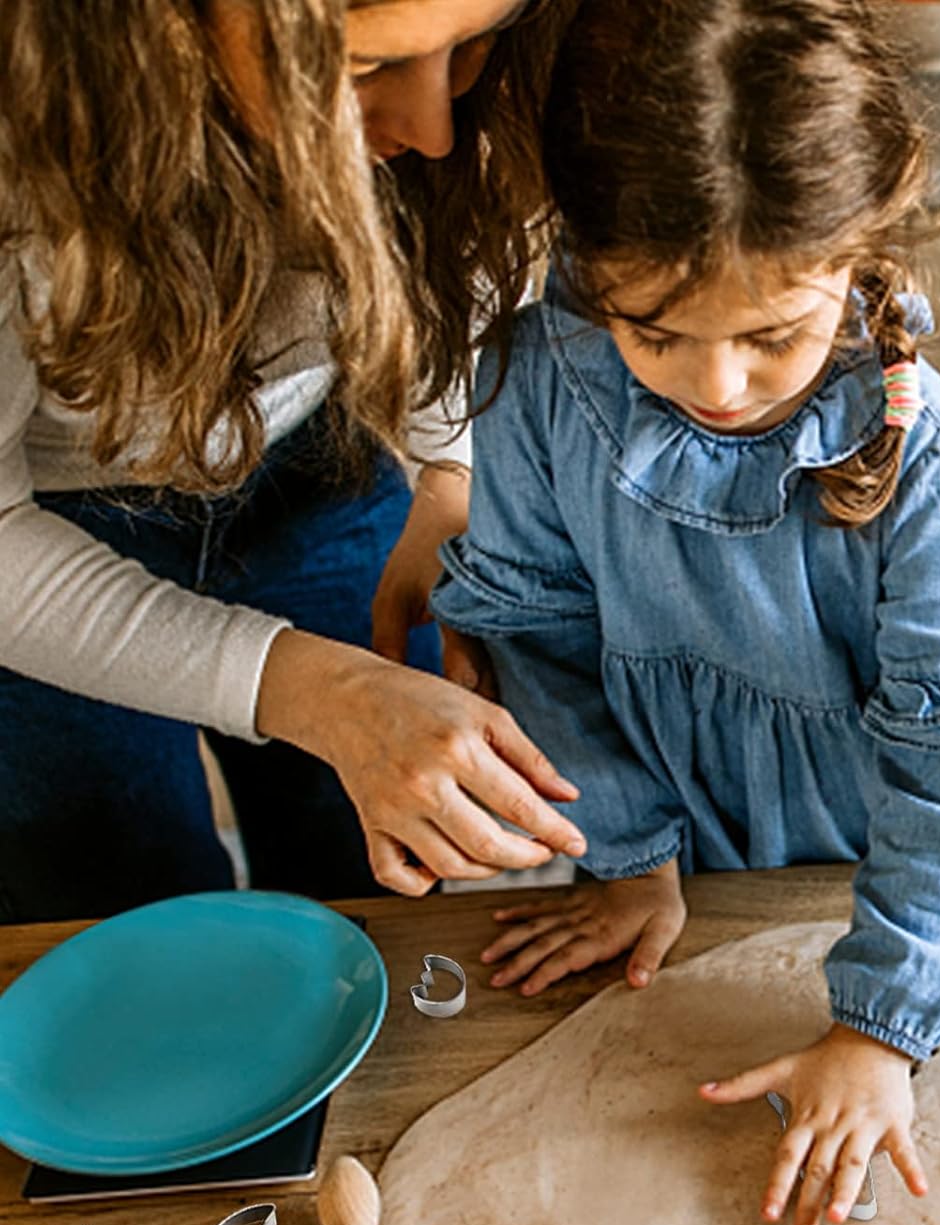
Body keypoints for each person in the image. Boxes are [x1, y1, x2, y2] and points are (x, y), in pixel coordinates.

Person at [431, 0, 940, 1225]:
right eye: (654, 331)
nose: (714, 388)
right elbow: (541, 639)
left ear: (861, 249)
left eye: (773, 336)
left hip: (875, 860)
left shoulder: (922, 446)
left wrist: (881, 1026)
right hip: (666, 848)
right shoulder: (538, 384)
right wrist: (631, 855)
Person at [0, 0, 587, 921]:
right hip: (40, 532)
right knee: (117, 897)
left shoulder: (461, 119)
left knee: (367, 860)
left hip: (320, 468)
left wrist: (451, 471)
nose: (432, 130)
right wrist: (317, 692)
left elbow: (455, 242)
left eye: (474, 44)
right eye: (361, 73)